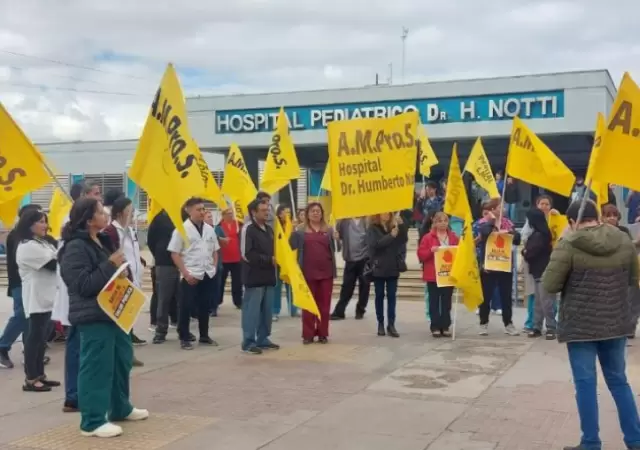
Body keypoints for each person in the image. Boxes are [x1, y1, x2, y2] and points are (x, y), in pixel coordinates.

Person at [542, 200, 640, 450]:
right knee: (619, 381)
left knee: (585, 385)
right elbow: (633, 278)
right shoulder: (623, 239)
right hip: (615, 322)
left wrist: (562, 244)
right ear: (597, 216)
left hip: (580, 326)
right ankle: (635, 440)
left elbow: (550, 285)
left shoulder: (569, 243)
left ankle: (591, 442)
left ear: (572, 221)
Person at [59, 197, 148, 438]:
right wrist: (110, 265)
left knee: (121, 360)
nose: (105, 214)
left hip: (115, 311)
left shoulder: (102, 240)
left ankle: (120, 406)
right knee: (96, 366)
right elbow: (82, 285)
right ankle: (93, 420)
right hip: (93, 314)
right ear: (88, 220)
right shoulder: (75, 247)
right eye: (100, 212)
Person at [16, 209, 60, 392]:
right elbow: (53, 265)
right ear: (30, 225)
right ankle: (31, 379)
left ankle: (41, 375)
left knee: (42, 340)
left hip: (48, 297)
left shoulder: (42, 243)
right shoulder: (27, 246)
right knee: (34, 340)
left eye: (45, 221)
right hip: (36, 299)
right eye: (41, 222)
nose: (45, 225)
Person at [168, 198, 220, 350]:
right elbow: (175, 253)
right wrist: (185, 273)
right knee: (186, 306)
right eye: (198, 209)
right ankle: (184, 337)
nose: (202, 212)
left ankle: (204, 335)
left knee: (205, 306)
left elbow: (215, 250)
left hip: (207, 273)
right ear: (189, 211)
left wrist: (214, 267)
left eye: (203, 209)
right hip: (191, 274)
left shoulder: (209, 229)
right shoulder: (181, 229)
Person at [0, 204, 43, 369]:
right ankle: (3, 346)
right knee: (21, 316)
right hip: (20, 283)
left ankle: (30, 352)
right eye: (37, 219)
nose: (42, 223)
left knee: (29, 318)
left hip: (29, 283)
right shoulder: (16, 237)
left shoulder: (29, 237)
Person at [102, 197, 147, 355]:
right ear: (121, 213)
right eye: (130, 210)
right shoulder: (111, 232)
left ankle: (128, 347)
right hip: (122, 281)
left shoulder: (131, 229)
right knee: (121, 319)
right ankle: (123, 352)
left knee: (130, 316)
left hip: (134, 277)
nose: (133, 213)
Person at [290, 202, 338, 344]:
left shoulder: (328, 229)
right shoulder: (300, 230)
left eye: (318, 211)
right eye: (312, 211)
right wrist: (291, 231)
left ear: (322, 213)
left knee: (324, 305)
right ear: (307, 213)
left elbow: (336, 248)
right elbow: (291, 245)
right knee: (308, 305)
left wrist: (337, 238)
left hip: (326, 273)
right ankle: (308, 334)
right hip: (307, 273)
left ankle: (323, 333)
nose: (316, 213)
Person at [473, 199, 521, 336]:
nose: (503, 209)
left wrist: (509, 233)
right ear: (493, 209)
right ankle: (483, 322)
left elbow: (517, 238)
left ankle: (508, 323)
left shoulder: (507, 223)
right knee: (485, 296)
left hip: (504, 264)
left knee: (506, 296)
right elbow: (485, 234)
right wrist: (492, 221)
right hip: (488, 265)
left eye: (503, 207)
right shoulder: (482, 223)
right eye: (500, 207)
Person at [241, 199, 280, 354]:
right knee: (252, 311)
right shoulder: (248, 229)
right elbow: (246, 254)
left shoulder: (269, 230)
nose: (267, 212)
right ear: (254, 212)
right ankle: (248, 341)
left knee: (266, 311)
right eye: (263, 210)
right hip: (254, 277)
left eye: (267, 209)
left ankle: (263, 338)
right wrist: (267, 260)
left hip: (269, 276)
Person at [417, 212, 459, 338]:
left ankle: (445, 325)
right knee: (434, 301)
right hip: (433, 275)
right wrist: (431, 251)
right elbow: (421, 255)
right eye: (439, 221)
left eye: (445, 221)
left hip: (448, 275)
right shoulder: (428, 238)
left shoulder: (453, 237)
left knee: (446, 301)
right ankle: (435, 326)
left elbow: (460, 252)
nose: (442, 223)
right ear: (434, 223)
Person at [521, 195, 559, 332]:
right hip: (537, 271)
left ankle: (550, 327)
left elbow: (530, 252)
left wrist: (525, 252)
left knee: (546, 301)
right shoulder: (537, 233)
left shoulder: (540, 235)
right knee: (538, 301)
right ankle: (536, 326)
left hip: (544, 271)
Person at [367, 212, 408, 338]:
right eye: (384, 213)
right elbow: (376, 245)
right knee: (379, 296)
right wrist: (390, 236)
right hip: (379, 267)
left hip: (392, 267)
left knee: (392, 297)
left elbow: (403, 240)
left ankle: (391, 324)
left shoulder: (394, 226)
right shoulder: (372, 228)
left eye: (389, 213)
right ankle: (380, 323)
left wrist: (401, 226)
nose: (386, 215)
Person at [148, 210, 180, 344]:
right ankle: (161, 330)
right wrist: (159, 254)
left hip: (185, 261)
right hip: (165, 262)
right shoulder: (159, 218)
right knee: (163, 298)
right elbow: (151, 240)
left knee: (182, 299)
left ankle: (183, 329)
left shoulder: (182, 216)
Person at [331, 216, 370, 321]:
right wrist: (336, 237)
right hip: (350, 259)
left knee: (365, 285)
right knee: (347, 286)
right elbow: (338, 238)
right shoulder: (344, 221)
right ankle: (339, 311)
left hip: (365, 259)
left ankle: (360, 310)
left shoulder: (367, 221)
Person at [272, 204, 296, 321]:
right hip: (277, 261)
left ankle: (293, 309)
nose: (286, 214)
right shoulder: (274, 226)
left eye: (288, 213)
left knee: (290, 286)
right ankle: (275, 310)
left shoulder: (291, 226)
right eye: (284, 212)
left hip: (289, 260)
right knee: (276, 287)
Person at [216, 208, 243, 309]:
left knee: (237, 282)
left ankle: (238, 301)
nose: (230, 215)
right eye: (228, 214)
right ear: (223, 215)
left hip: (236, 258)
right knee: (221, 282)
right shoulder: (219, 227)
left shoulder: (238, 225)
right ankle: (217, 301)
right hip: (223, 258)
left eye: (232, 213)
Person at [205, 209, 226, 316]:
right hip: (204, 264)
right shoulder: (200, 230)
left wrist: (220, 239)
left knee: (216, 287)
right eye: (208, 217)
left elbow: (225, 243)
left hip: (216, 263)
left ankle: (214, 308)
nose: (211, 218)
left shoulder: (217, 229)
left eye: (211, 216)